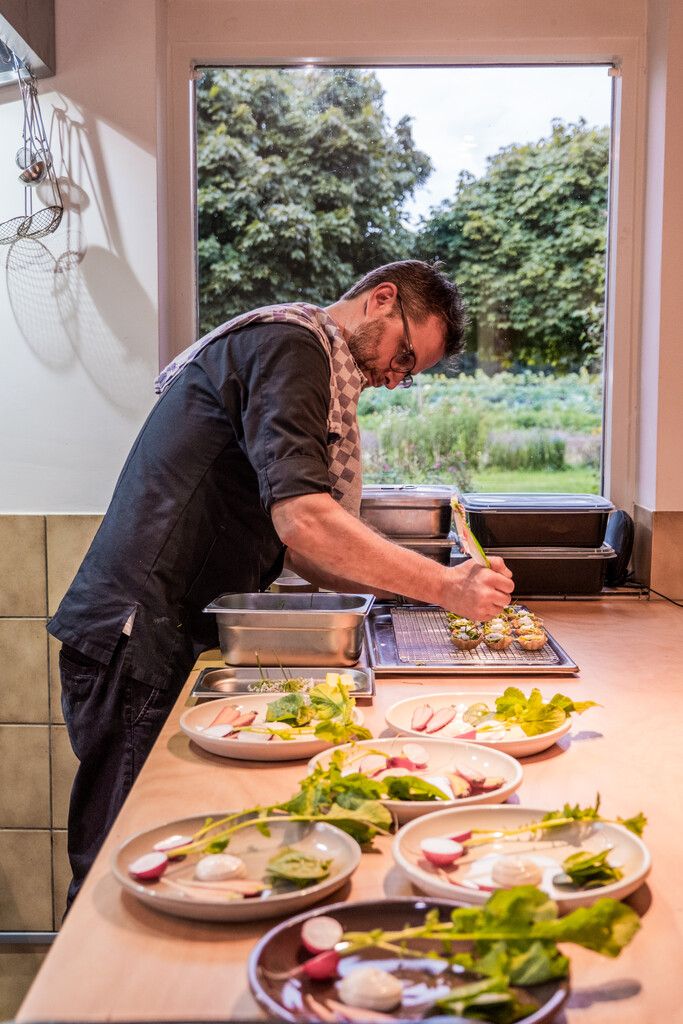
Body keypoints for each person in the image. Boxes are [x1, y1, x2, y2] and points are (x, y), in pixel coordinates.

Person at [48, 259, 513, 907]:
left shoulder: (300, 354)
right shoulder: (290, 347)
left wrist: (400, 599)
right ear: (380, 300)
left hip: (159, 634)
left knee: (159, 864)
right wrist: (445, 587)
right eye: (404, 356)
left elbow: (316, 557)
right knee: (119, 874)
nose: (391, 377)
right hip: (134, 639)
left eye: (408, 374)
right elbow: (305, 522)